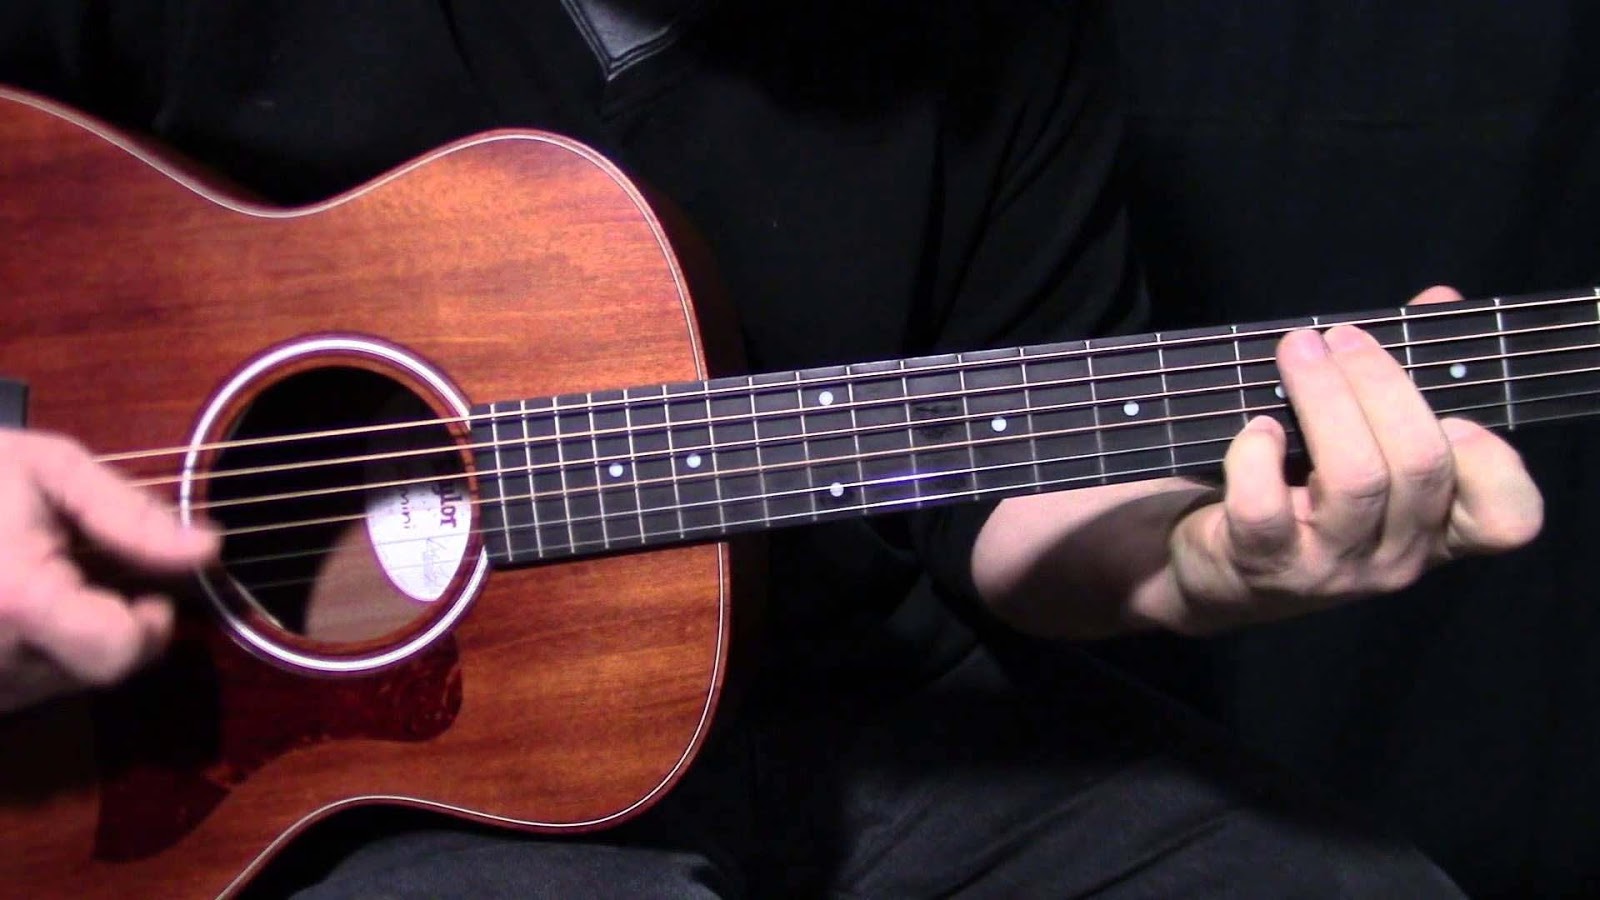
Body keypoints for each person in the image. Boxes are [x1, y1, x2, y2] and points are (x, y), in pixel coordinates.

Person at [0, 1, 1543, 896]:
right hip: (294, 779)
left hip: (849, 719)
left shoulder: (995, 33)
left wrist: (1193, 564)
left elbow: (1003, 486)